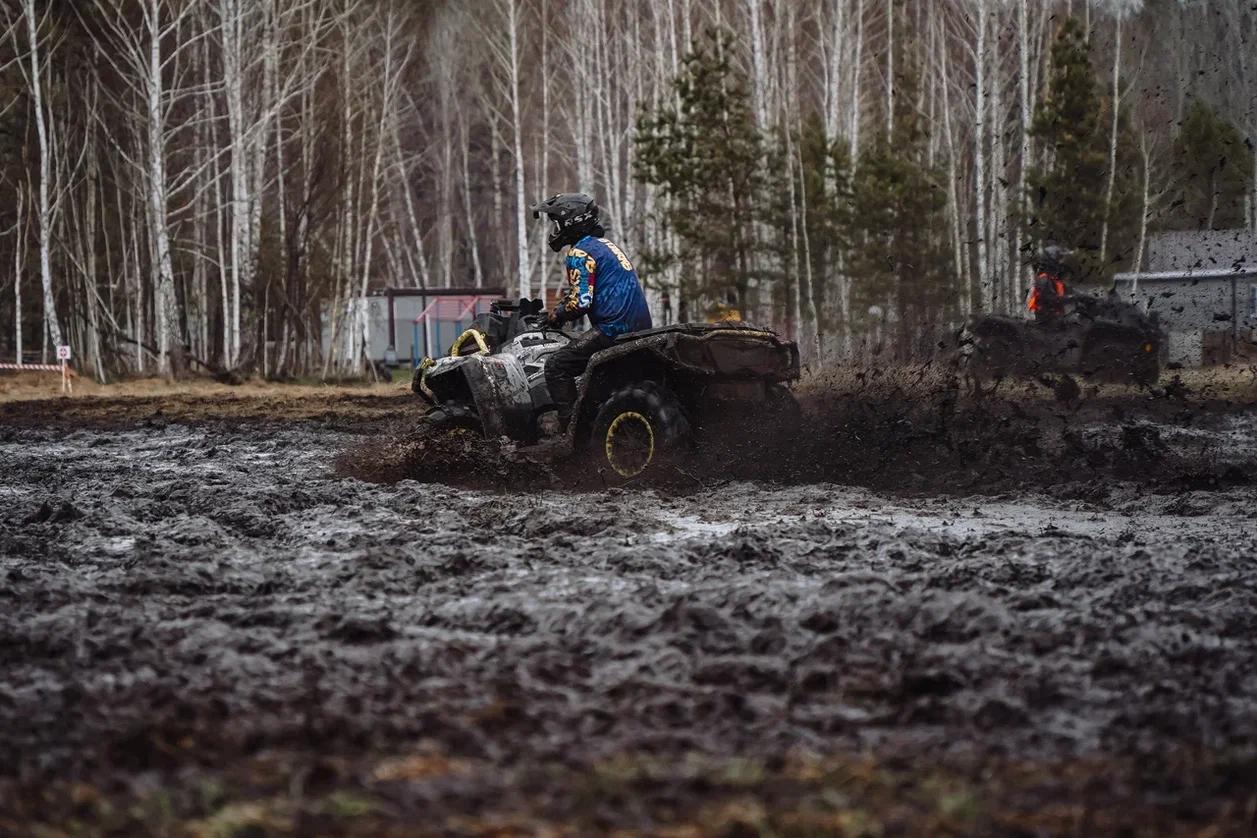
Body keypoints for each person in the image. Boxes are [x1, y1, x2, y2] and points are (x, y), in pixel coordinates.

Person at [531, 193, 652, 431]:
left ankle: (571, 430)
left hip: (613, 329)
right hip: (638, 328)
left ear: (570, 221)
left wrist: (556, 315)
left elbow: (581, 301)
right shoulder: (605, 246)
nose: (554, 229)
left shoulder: (580, 252)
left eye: (556, 222)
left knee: (556, 365)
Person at [1027, 243, 1071, 323]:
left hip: (1056, 320)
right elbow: (1050, 299)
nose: (1063, 262)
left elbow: (1069, 291)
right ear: (1053, 260)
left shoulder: (1055, 280)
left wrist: (1083, 297)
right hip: (1046, 322)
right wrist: (1071, 298)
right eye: (1061, 259)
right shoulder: (1044, 279)